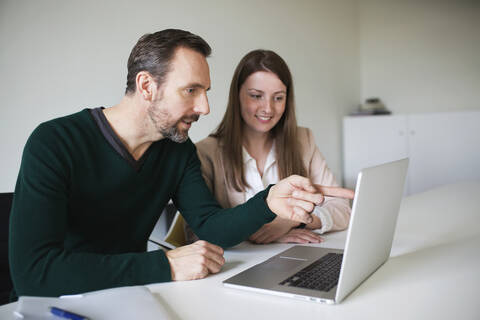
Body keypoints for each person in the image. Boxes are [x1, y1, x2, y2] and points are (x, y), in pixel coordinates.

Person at [8, 30, 326, 298]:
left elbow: (211, 226)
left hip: (128, 294)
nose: (204, 107)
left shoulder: (177, 149)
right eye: (191, 91)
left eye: (205, 92)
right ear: (147, 86)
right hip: (60, 302)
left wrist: (268, 202)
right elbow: (34, 273)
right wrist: (166, 265)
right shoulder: (54, 142)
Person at [193, 49, 353, 245]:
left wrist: (292, 222)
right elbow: (197, 234)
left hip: (291, 257)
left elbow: (342, 210)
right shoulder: (205, 153)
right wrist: (262, 232)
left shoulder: (303, 139)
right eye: (256, 96)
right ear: (237, 96)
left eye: (278, 98)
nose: (268, 108)